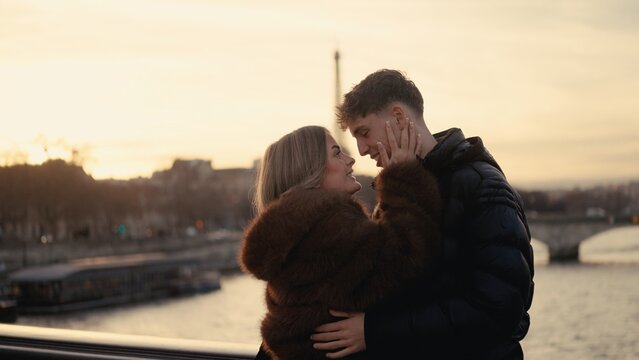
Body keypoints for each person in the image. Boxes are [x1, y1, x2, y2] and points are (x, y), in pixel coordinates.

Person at [311, 69, 534, 359]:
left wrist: (374, 331)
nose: (362, 150)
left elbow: (498, 307)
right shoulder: (399, 190)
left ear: (400, 117)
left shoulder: (481, 186)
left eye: (364, 133)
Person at [240, 125, 442, 359]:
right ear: (311, 170)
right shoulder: (330, 228)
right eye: (337, 152)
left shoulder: (295, 236)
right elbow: (410, 254)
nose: (350, 159)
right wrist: (403, 175)